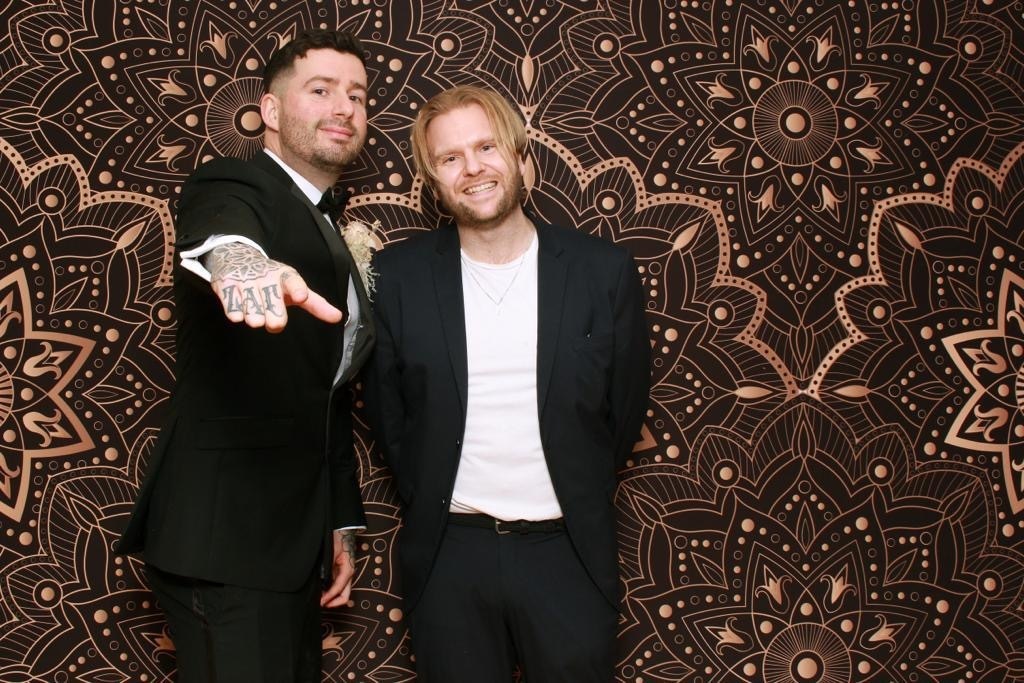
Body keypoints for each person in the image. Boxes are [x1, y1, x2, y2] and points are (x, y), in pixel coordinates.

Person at [365, 85, 650, 681]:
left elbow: (620, 414)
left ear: (523, 159)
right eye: (449, 158)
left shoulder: (604, 272)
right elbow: (391, 421)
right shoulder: (398, 277)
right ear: (434, 181)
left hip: (567, 553)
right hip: (450, 557)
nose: (472, 168)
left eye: (487, 146)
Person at [118, 29, 375, 682]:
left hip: (289, 543)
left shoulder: (324, 222)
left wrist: (339, 520)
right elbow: (218, 228)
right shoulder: (236, 179)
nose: (344, 106)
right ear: (271, 110)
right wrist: (240, 262)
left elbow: (325, 393)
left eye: (357, 94)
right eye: (320, 90)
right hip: (227, 541)